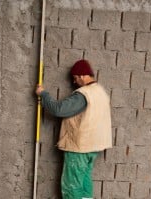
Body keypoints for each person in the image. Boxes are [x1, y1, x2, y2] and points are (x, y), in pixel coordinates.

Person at [35, 59, 112, 199]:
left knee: (72, 186)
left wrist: (43, 94)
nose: (75, 82)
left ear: (82, 75)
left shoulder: (83, 94)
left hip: (80, 147)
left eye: (75, 78)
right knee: (84, 181)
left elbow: (59, 109)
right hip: (94, 146)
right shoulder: (101, 92)